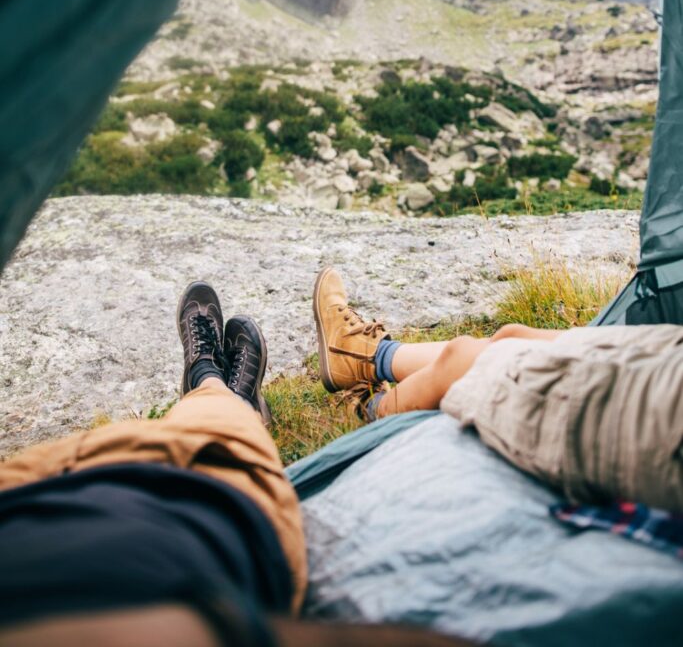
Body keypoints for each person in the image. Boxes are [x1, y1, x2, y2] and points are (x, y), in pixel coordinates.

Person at [0, 280, 473, 647]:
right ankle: (221, 390)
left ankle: (207, 376)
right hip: (197, 506)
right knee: (213, 428)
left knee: (179, 424)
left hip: (26, 488)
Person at [313, 266, 683, 512]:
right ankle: (364, 357)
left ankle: (371, 408)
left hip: (667, 419)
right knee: (513, 335)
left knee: (463, 359)